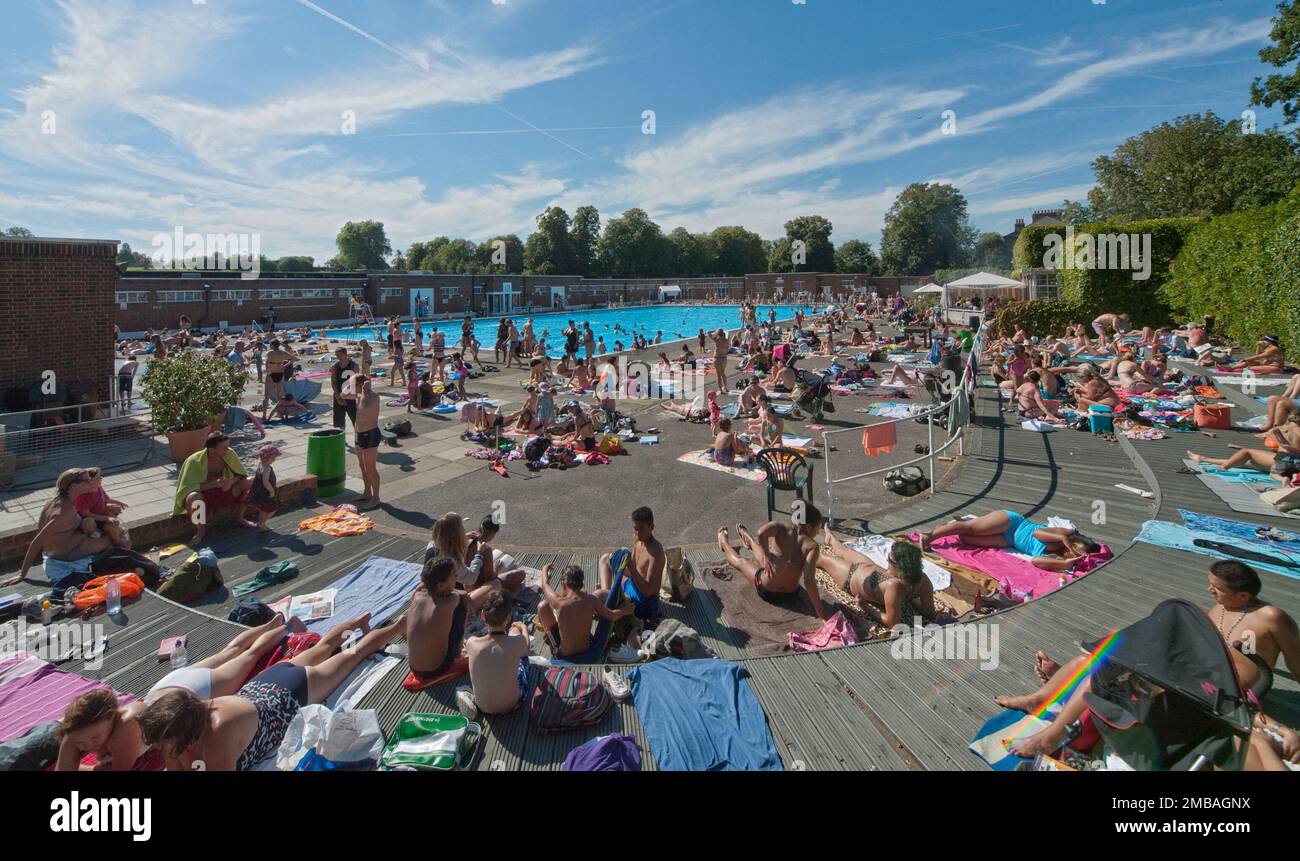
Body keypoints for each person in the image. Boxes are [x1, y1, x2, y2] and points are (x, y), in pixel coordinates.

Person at [996, 560, 1300, 758]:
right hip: (1191, 672)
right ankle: (1040, 698)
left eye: (1217, 588)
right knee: (1098, 660)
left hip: (1230, 688)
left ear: (1243, 596)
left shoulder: (1270, 617)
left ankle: (1052, 733)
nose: (1210, 591)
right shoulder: (1221, 606)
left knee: (1106, 677)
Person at [137, 614, 405, 771]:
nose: (159, 747)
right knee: (323, 647)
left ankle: (396, 626)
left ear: (183, 732)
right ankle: (356, 622)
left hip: (291, 692)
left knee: (354, 654)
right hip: (265, 683)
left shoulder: (218, 733)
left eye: (163, 741)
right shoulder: (191, 713)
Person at [2, 469, 116, 589]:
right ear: (73, 486)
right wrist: (22, 574)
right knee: (112, 538)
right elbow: (36, 542)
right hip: (65, 554)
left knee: (99, 529)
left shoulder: (57, 499)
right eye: (87, 480)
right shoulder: (64, 512)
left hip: (65, 545)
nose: (91, 482)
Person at [717, 505, 828, 620]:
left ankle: (724, 541)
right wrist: (822, 616)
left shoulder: (782, 528)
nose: (817, 533)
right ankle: (747, 539)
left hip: (766, 590)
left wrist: (766, 555)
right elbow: (808, 581)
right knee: (766, 559)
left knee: (742, 561)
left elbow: (761, 533)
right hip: (791, 595)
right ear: (809, 527)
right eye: (817, 529)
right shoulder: (812, 546)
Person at [406, 556, 501, 686]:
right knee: (461, 609)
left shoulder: (417, 594)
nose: (456, 578)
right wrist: (462, 594)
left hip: (414, 667)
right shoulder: (452, 600)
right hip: (436, 668)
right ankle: (457, 656)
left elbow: (426, 587)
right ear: (440, 585)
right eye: (454, 576)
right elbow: (459, 596)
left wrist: (460, 592)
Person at [918, 510, 1101, 572]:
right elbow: (1038, 534)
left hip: (1008, 541)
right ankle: (930, 534)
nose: (1073, 552)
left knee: (964, 537)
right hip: (1012, 523)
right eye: (1076, 550)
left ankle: (964, 522)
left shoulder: (1058, 554)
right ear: (1076, 543)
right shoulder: (1066, 533)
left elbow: (1036, 561)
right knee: (970, 529)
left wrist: (1065, 563)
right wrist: (1064, 539)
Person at [819, 530, 933, 629]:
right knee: (844, 551)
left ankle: (810, 545)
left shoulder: (894, 586)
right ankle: (831, 538)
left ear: (900, 568)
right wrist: (911, 598)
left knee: (820, 558)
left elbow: (892, 623)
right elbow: (928, 612)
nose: (887, 561)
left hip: (851, 576)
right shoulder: (924, 580)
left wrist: (865, 607)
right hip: (869, 568)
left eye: (890, 559)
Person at [457, 589, 533, 719]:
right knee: (522, 659)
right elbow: (525, 649)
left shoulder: (472, 643)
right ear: (508, 617)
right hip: (512, 704)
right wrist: (523, 628)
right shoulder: (517, 642)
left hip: (483, 706)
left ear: (482, 615)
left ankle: (468, 695)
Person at [537, 563, 634, 660]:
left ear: (563, 584)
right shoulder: (591, 600)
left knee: (542, 606)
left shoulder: (559, 602)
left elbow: (545, 585)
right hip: (586, 650)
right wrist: (625, 611)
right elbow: (612, 615)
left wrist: (545, 569)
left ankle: (551, 639)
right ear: (581, 583)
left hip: (565, 654)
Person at [174, 433, 253, 547]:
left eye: (228, 446)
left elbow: (241, 475)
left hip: (226, 491)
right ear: (212, 450)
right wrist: (214, 484)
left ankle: (240, 517)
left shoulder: (229, 454)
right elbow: (187, 487)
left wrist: (231, 482)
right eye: (224, 448)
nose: (228, 450)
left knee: (251, 481)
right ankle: (200, 531)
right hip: (205, 495)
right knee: (193, 498)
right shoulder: (193, 461)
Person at [598, 507, 666, 621]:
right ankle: (608, 598)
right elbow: (633, 567)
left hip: (644, 602)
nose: (638, 533)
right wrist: (622, 560)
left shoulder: (656, 551)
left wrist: (630, 566)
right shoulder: (637, 539)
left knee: (599, 595)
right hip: (632, 583)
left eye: (642, 529)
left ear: (652, 527)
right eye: (635, 529)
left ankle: (607, 600)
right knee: (605, 559)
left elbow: (648, 591)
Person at [1187, 413, 1300, 475]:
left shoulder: (1281, 429)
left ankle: (1223, 467)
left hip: (1284, 460)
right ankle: (1203, 459)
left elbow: (1269, 437)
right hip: (1292, 463)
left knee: (1246, 452)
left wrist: (1279, 439)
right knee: (1244, 462)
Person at [338, 374, 381, 509]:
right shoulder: (358, 396)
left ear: (361, 385)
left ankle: (376, 497)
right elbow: (342, 395)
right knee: (362, 466)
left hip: (371, 434)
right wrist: (351, 384)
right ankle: (367, 492)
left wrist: (367, 386)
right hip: (359, 435)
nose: (351, 388)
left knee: (370, 468)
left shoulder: (373, 396)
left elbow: (367, 403)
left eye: (353, 385)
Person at [73, 468, 130, 549]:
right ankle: (95, 533)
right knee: (88, 522)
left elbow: (106, 499)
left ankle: (116, 540)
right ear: (89, 481)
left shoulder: (99, 488)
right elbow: (86, 514)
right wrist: (107, 518)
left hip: (102, 516)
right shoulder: (81, 496)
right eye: (98, 477)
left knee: (113, 520)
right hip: (92, 520)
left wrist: (118, 502)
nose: (101, 478)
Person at [246, 444, 280, 532]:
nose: (274, 459)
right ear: (269, 458)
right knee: (273, 508)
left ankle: (261, 524)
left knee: (263, 509)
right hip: (266, 493)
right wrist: (271, 491)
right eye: (274, 458)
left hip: (260, 492)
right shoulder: (267, 468)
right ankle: (262, 523)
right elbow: (265, 482)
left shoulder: (261, 465)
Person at [329, 347, 359, 430]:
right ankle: (342, 438)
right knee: (339, 420)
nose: (338, 357)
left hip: (350, 395)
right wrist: (337, 394)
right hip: (338, 394)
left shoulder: (354, 366)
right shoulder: (334, 367)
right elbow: (333, 382)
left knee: (355, 418)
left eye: (340, 355)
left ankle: (358, 438)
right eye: (337, 355)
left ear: (345, 354)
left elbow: (358, 381)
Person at [712, 328, 730, 392]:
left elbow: (709, 334)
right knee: (723, 374)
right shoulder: (727, 340)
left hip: (717, 358)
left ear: (718, 333)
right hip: (724, 358)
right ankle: (726, 388)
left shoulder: (716, 340)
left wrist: (714, 332)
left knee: (718, 374)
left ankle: (720, 390)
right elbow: (728, 333)